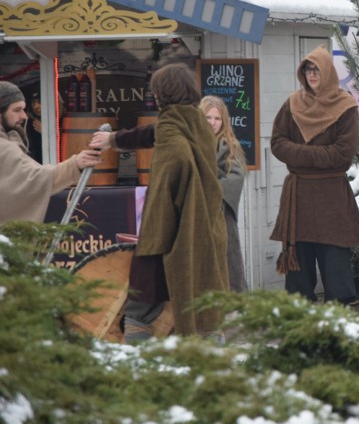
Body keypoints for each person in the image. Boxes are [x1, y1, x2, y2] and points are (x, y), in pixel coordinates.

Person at [123, 63, 229, 339]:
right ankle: (212, 358)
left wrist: (156, 229)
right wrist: (113, 139)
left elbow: (175, 160)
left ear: (163, 94)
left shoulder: (172, 127)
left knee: (140, 305)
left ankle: (139, 364)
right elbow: (153, 133)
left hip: (175, 228)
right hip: (206, 224)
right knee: (204, 296)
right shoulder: (196, 121)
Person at [270, 46, 359, 304]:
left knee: (335, 261)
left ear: (328, 72)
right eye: (307, 69)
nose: (312, 75)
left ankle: (337, 322)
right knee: (298, 266)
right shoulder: (292, 104)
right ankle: (302, 319)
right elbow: (278, 143)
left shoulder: (345, 106)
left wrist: (300, 155)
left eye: (317, 69)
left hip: (331, 196)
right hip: (298, 196)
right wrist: (316, 155)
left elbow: (342, 155)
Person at [0, 81, 101, 224]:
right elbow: (36, 179)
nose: (24, 116)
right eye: (17, 110)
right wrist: (75, 164)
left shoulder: (12, 138)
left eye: (23, 109)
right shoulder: (5, 147)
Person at [200, 95, 248, 293]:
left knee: (229, 257)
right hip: (197, 210)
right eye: (208, 117)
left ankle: (235, 299)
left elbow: (235, 177)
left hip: (221, 209)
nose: (213, 123)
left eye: (217, 118)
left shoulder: (230, 146)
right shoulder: (192, 143)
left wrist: (211, 192)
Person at [26, 91, 42, 163]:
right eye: (33, 103)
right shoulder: (28, 122)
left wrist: (45, 132)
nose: (36, 106)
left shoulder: (60, 119)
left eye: (39, 102)